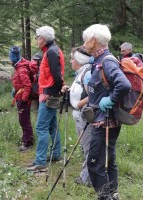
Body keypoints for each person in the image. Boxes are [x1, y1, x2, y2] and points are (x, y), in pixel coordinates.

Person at [82, 24, 131, 200]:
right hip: (104, 119)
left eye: (85, 39)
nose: (84, 43)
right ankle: (113, 194)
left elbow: (124, 84)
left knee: (95, 163)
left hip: (105, 121)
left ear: (94, 40)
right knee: (108, 160)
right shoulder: (98, 60)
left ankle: (105, 197)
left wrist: (110, 99)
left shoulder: (106, 60)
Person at [27, 25, 65, 171]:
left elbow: (56, 75)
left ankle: (40, 162)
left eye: (37, 38)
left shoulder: (51, 52)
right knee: (52, 126)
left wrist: (51, 92)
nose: (36, 40)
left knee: (41, 127)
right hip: (50, 93)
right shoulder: (52, 50)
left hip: (48, 94)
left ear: (42, 38)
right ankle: (55, 154)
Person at [61, 47, 93, 187]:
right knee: (85, 146)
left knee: (88, 148)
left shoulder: (87, 74)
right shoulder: (81, 73)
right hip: (80, 116)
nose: (70, 61)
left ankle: (87, 179)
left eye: (73, 58)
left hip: (85, 116)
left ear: (80, 60)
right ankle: (88, 176)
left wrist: (78, 104)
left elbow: (93, 95)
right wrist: (69, 90)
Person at [9, 46, 35, 152]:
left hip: (23, 99)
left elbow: (27, 85)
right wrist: (15, 90)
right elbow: (19, 83)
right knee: (23, 120)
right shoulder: (19, 67)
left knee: (24, 120)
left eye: (10, 58)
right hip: (19, 96)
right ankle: (27, 140)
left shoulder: (21, 69)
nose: (10, 60)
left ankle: (28, 143)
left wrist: (24, 99)